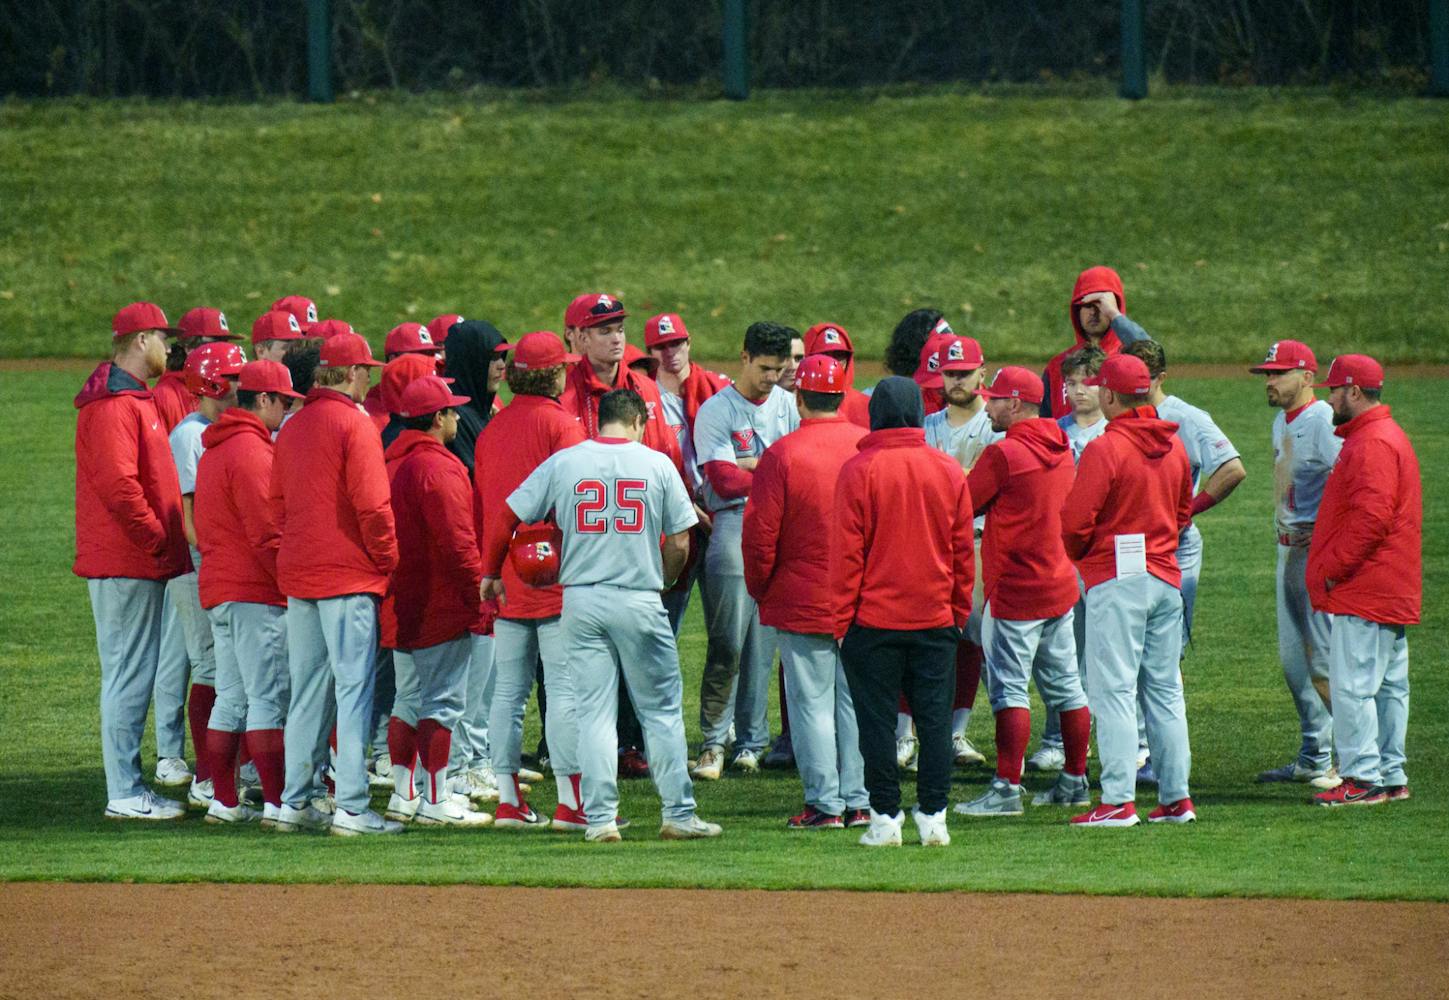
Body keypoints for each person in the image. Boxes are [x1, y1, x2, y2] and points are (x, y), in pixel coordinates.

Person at [481, 389, 723, 843]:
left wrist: (491, 572)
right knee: (661, 712)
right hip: (639, 597)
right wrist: (666, 581)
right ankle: (677, 813)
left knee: (593, 713)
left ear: (601, 423)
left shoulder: (568, 462)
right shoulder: (655, 464)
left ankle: (599, 820)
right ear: (636, 422)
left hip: (581, 600)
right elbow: (680, 542)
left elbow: (507, 515)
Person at [833, 377, 974, 848]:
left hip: (872, 622)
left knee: (875, 725)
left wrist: (840, 621)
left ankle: (884, 818)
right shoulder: (947, 469)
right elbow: (961, 552)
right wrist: (957, 612)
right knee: (935, 723)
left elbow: (847, 556)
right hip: (935, 617)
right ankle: (934, 816)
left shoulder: (858, 470)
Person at [270, 331, 400, 835]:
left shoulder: (294, 424)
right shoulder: (355, 423)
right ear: (349, 375)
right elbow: (372, 505)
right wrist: (386, 560)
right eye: (365, 369)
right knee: (353, 691)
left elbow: (276, 506)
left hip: (301, 576)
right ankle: (350, 806)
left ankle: (294, 802)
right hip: (346, 577)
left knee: (307, 691)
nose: (368, 377)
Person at [1061, 354, 1194, 827]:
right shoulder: (1175, 446)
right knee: (1164, 690)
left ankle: (1117, 799)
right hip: (1165, 579)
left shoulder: (1106, 448)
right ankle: (1177, 799)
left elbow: (1075, 521)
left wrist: (1084, 555)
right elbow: (1183, 515)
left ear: (1111, 395)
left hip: (1118, 581)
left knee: (1113, 689)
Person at [952, 367, 1092, 816]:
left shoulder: (1005, 454)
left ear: (1015, 404)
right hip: (1058, 584)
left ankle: (1007, 788)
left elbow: (963, 505)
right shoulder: (1060, 443)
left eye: (993, 399)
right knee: (1068, 688)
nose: (986, 405)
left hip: (1016, 589)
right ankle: (1075, 780)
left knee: (1009, 691)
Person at [743, 355, 871, 829]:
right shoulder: (864, 445)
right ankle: (858, 800)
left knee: (810, 705)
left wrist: (761, 588)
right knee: (853, 702)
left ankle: (824, 804)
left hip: (801, 596)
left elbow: (760, 536)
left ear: (798, 399)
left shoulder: (783, 453)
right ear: (841, 395)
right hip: (860, 598)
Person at [75, 302, 192, 820]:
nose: (169, 349)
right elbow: (119, 487)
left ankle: (129, 786)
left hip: (136, 560)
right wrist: (158, 540)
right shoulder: (113, 406)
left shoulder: (131, 400)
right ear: (140, 340)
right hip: (125, 562)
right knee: (127, 676)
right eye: (163, 339)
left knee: (133, 674)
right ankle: (123, 792)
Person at [475, 332, 589, 829]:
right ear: (552, 374)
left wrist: (489, 569)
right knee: (564, 690)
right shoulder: (563, 427)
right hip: (557, 573)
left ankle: (507, 799)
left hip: (506, 573)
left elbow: (490, 510)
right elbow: (579, 506)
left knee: (508, 694)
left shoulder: (490, 430)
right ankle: (571, 802)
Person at [1122, 338, 1246, 782]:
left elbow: (1232, 466)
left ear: (1159, 378)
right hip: (1131, 549)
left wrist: (1187, 510)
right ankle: (1142, 749)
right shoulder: (1116, 413)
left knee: (1162, 655)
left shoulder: (1186, 417)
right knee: (1128, 650)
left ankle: (1158, 757)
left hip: (1175, 549)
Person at [1307, 355, 1420, 807]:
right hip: (1390, 585)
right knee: (1390, 686)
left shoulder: (1371, 443)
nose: (1329, 397)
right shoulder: (1380, 436)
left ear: (1354, 391)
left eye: (1334, 390)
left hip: (1367, 587)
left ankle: (1362, 777)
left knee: (1352, 686)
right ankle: (1391, 774)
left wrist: (1331, 567)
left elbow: (1371, 519)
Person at [689, 321, 800, 779]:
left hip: (780, 527)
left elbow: (798, 469)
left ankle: (750, 742)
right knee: (727, 642)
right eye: (766, 368)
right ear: (745, 357)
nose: (773, 377)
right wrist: (770, 472)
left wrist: (754, 465)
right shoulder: (717, 410)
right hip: (733, 523)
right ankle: (714, 742)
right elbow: (721, 478)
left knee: (762, 643)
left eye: (780, 368)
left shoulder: (787, 404)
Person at [381, 376, 492, 827]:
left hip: (400, 603)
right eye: (450, 411)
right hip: (438, 602)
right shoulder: (439, 468)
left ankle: (404, 794)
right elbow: (458, 544)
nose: (456, 417)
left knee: (408, 699)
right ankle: (436, 799)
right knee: (443, 703)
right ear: (437, 418)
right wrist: (478, 597)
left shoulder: (391, 462)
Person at [194, 359, 301, 826]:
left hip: (219, 589)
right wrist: (290, 583)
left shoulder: (216, 448)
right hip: (254, 591)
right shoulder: (251, 452)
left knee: (231, 698)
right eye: (284, 401)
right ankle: (276, 803)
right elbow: (266, 534)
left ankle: (224, 800)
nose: (287, 409)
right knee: (265, 699)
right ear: (262, 399)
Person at [1248, 341, 1340, 789]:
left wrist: (1325, 536)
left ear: (1307, 376)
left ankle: (1357, 760)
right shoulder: (1281, 420)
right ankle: (1314, 754)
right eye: (1267, 374)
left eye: (1278, 373)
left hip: (1314, 555)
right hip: (1288, 552)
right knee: (1295, 665)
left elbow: (1355, 480)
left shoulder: (1323, 421)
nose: (1269, 381)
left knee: (1322, 663)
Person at [160, 342, 245, 813]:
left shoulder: (220, 428)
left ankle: (225, 772)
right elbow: (186, 512)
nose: (238, 385)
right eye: (232, 377)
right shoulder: (189, 435)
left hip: (213, 563)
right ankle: (208, 778)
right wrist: (213, 554)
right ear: (211, 383)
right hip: (196, 566)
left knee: (228, 669)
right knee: (210, 665)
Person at [909, 334, 997, 771]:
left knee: (973, 641)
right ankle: (904, 734)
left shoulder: (994, 427)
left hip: (979, 543)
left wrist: (945, 476)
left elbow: (979, 486)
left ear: (982, 373)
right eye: (950, 373)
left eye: (965, 373)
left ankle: (955, 732)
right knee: (916, 637)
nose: (957, 381)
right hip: (929, 545)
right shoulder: (926, 426)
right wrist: (959, 474)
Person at [1029, 345, 1107, 773]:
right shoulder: (1053, 431)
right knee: (1062, 655)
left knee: (1108, 654)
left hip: (1101, 557)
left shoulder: (1113, 433)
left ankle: (1128, 739)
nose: (1078, 392)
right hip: (1060, 558)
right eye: (1071, 383)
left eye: (1087, 383)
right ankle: (1057, 737)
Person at [644, 312, 730, 635]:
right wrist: (692, 513)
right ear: (650, 352)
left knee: (726, 634)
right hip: (673, 521)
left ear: (689, 342)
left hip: (718, 516)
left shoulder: (719, 390)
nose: (671, 353)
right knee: (664, 627)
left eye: (677, 343)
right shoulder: (645, 399)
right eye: (661, 346)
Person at [1040, 266, 1149, 419]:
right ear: (1076, 311)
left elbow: (1150, 353)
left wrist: (1114, 313)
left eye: (1100, 305)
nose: (1093, 312)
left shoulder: (1131, 361)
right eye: (1087, 305)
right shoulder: (1057, 367)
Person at [803, 322, 871, 427]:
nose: (832, 363)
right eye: (824, 355)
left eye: (838, 356)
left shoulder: (868, 406)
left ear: (848, 360)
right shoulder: (792, 405)